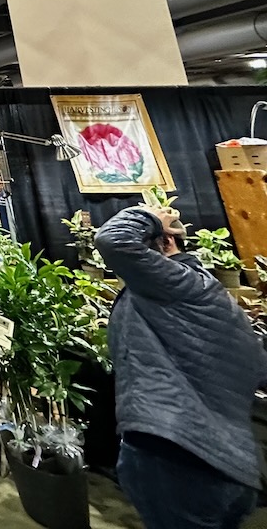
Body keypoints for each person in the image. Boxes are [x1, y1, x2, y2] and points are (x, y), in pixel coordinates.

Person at [96, 204, 267, 529]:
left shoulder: (173, 283)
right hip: (226, 465)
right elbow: (258, 367)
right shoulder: (205, 291)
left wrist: (149, 218)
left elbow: (112, 240)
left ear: (166, 243)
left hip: (175, 458)